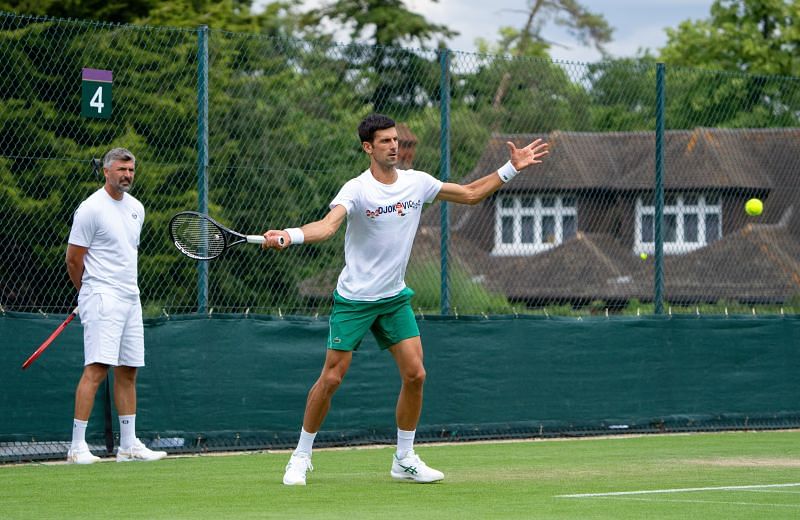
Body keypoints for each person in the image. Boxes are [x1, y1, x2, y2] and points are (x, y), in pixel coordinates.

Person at [262, 114, 549, 485]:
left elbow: (472, 194)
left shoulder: (417, 183)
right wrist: (291, 234)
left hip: (394, 298)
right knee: (332, 378)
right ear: (368, 148)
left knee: (416, 374)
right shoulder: (356, 189)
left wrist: (511, 167)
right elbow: (329, 225)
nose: (394, 146)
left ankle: (404, 458)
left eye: (395, 140)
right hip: (355, 300)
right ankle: (300, 456)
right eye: (384, 141)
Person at [64, 148, 166, 464]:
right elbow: (73, 258)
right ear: (106, 171)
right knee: (96, 368)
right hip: (101, 296)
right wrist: (87, 294)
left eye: (131, 170)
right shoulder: (90, 209)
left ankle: (129, 445)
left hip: (130, 298)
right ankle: (77, 447)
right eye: (122, 169)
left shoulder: (137, 208)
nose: (128, 175)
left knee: (128, 369)